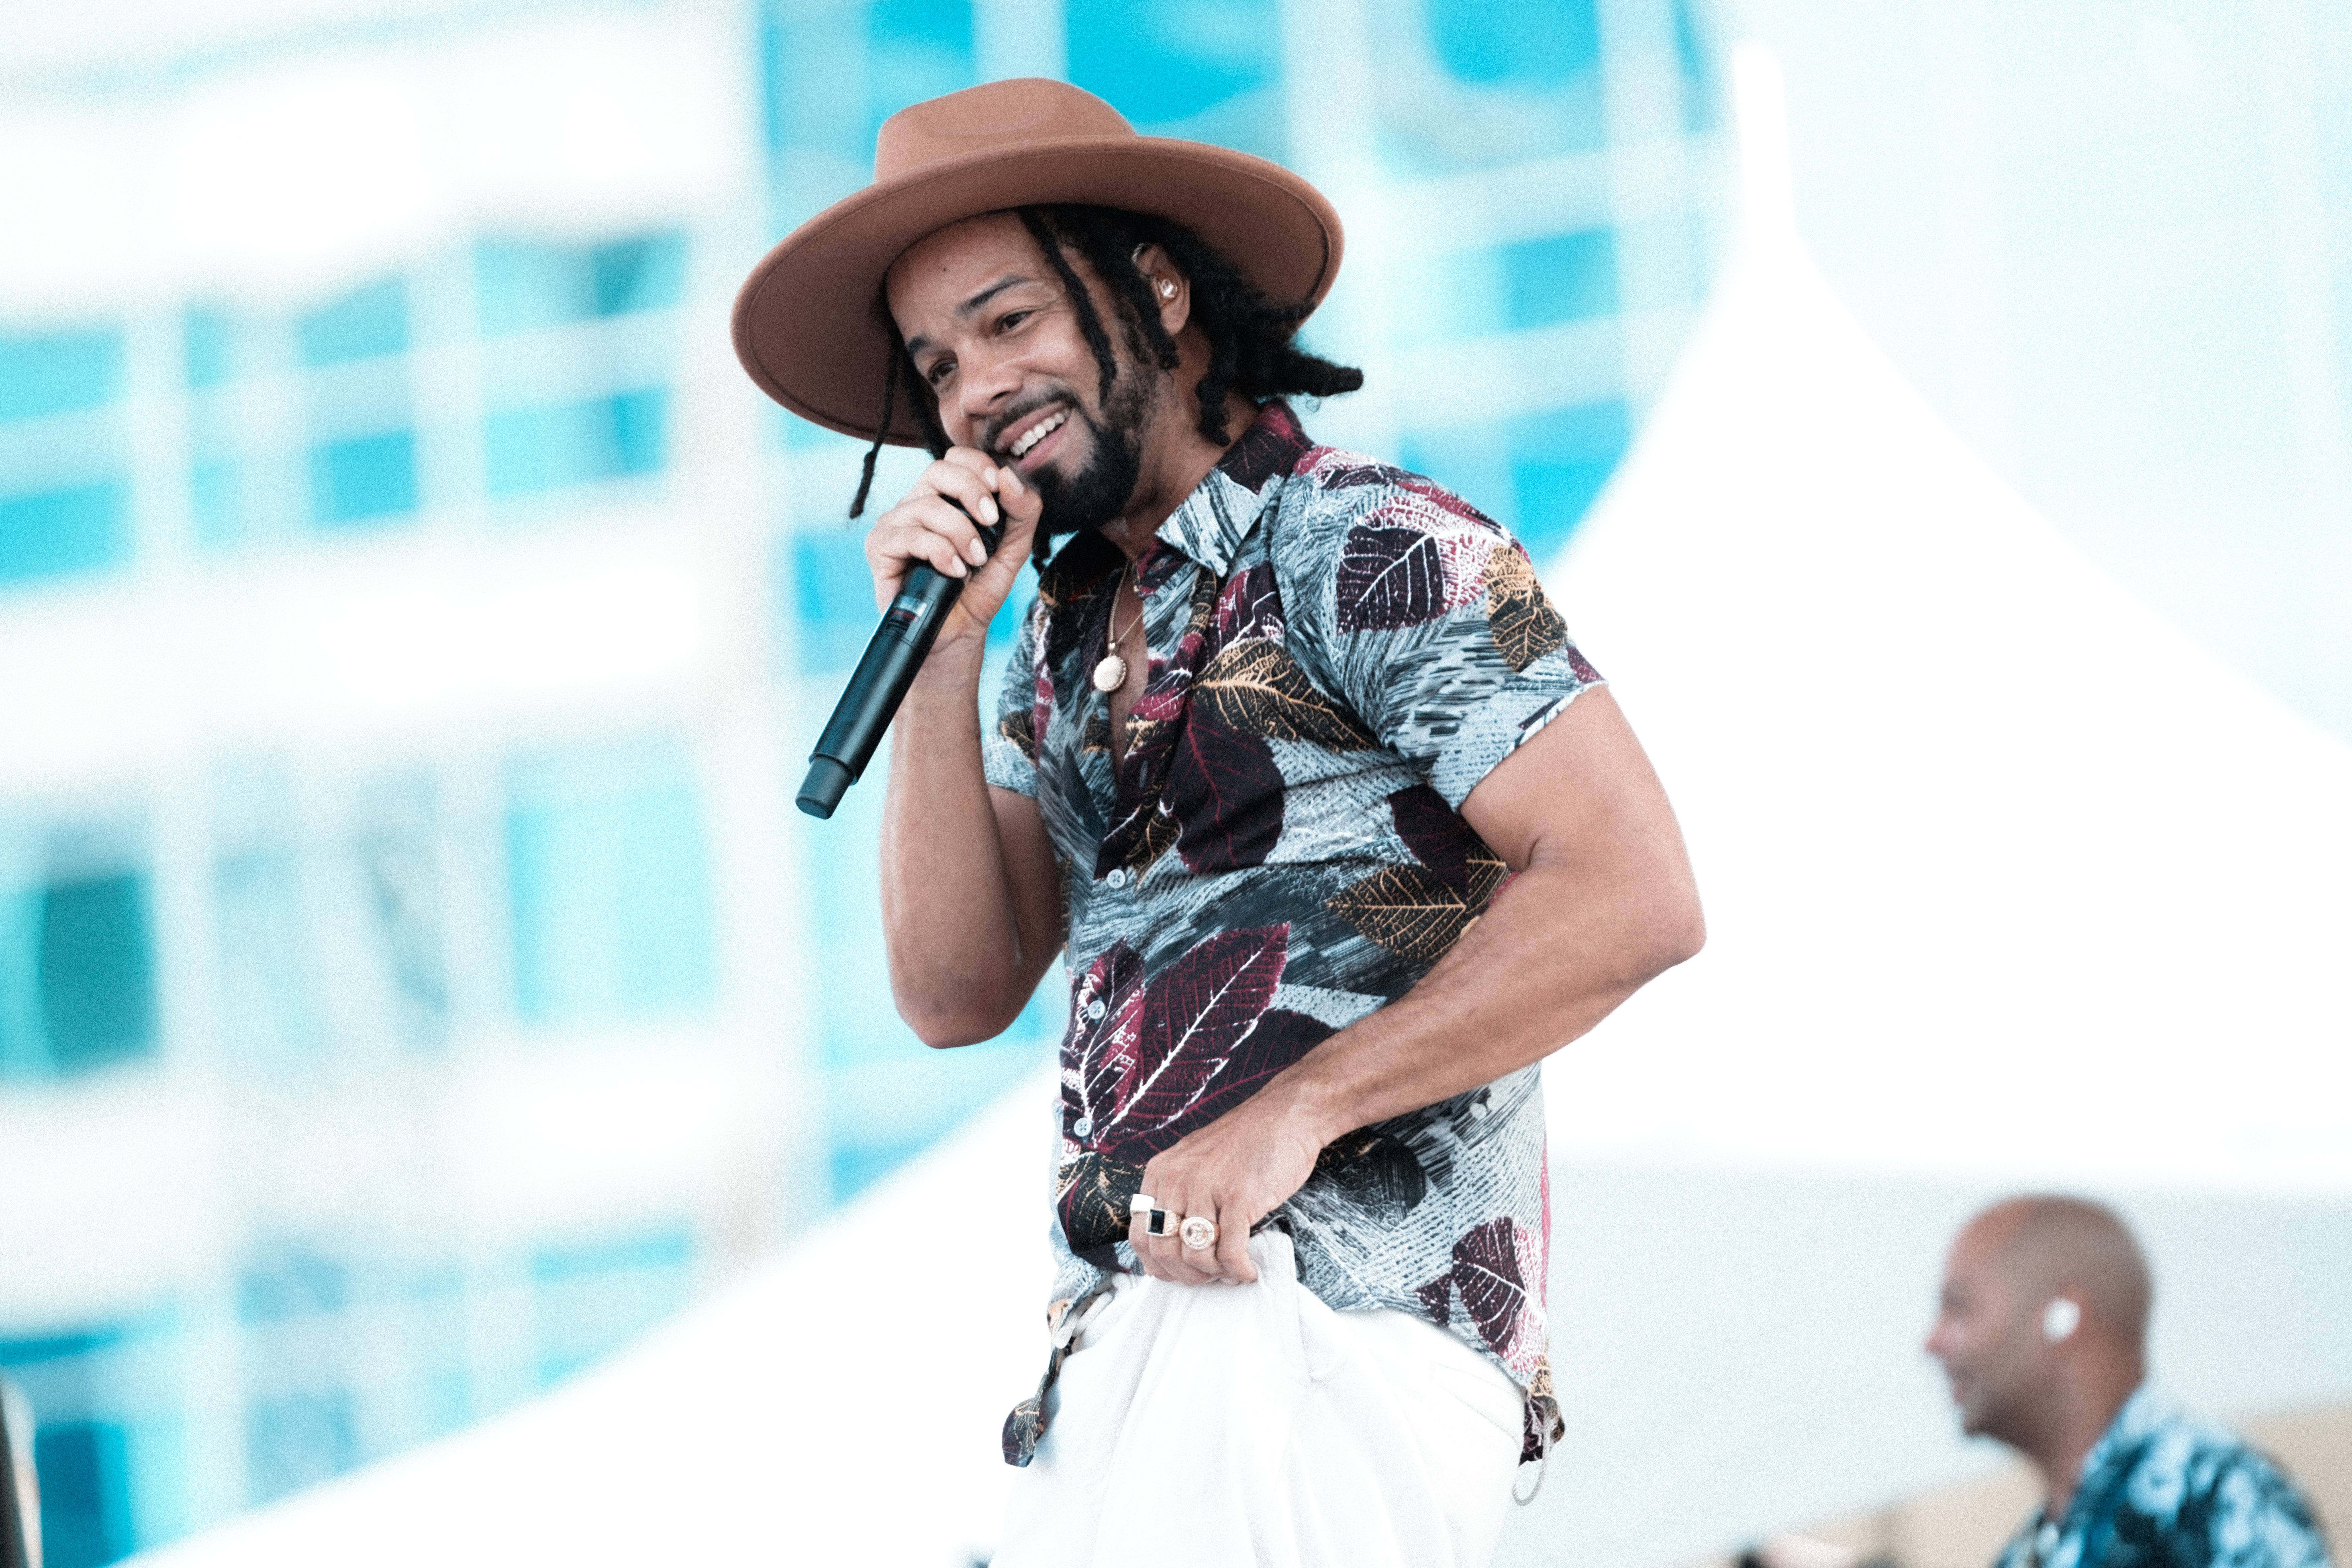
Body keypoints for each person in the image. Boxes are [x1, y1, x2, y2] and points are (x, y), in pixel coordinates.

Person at [732, 78, 1705, 1567]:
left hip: (1338, 1332)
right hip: (1126, 1346)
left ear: (1158, 293)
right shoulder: (1058, 643)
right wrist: (942, 651)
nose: (975, 388)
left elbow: (1635, 889)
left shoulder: (1368, 542)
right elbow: (951, 989)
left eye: (1008, 322)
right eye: (936, 365)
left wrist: (1295, 1113)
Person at [1926, 1196, 2333, 1568]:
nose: (1933, 1343)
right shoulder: (2029, 1551)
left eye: (1959, 1307)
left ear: (2062, 1317)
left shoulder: (2219, 1496)